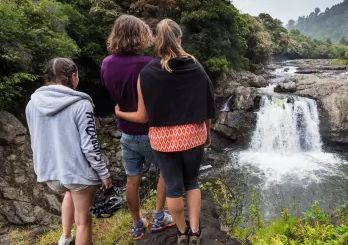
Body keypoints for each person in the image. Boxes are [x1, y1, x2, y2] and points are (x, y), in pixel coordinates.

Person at [115, 19, 216, 245]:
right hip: (192, 135)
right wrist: (207, 133)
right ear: (179, 38)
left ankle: (181, 234)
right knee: (192, 182)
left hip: (162, 139)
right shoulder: (195, 66)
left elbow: (142, 116)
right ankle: (196, 232)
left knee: (173, 187)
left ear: (156, 41)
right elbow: (208, 104)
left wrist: (119, 113)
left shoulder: (147, 72)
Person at [101, 14, 174, 239]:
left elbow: (112, 94)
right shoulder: (148, 64)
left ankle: (136, 224)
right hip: (151, 132)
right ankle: (159, 216)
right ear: (140, 36)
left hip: (126, 133)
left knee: (132, 179)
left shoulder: (106, 63)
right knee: (167, 171)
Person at [26, 58, 112, 245]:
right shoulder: (82, 104)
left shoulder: (32, 105)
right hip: (77, 173)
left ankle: (65, 237)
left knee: (69, 192)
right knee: (83, 222)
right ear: (73, 77)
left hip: (51, 173)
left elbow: (35, 140)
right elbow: (90, 145)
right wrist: (104, 174)